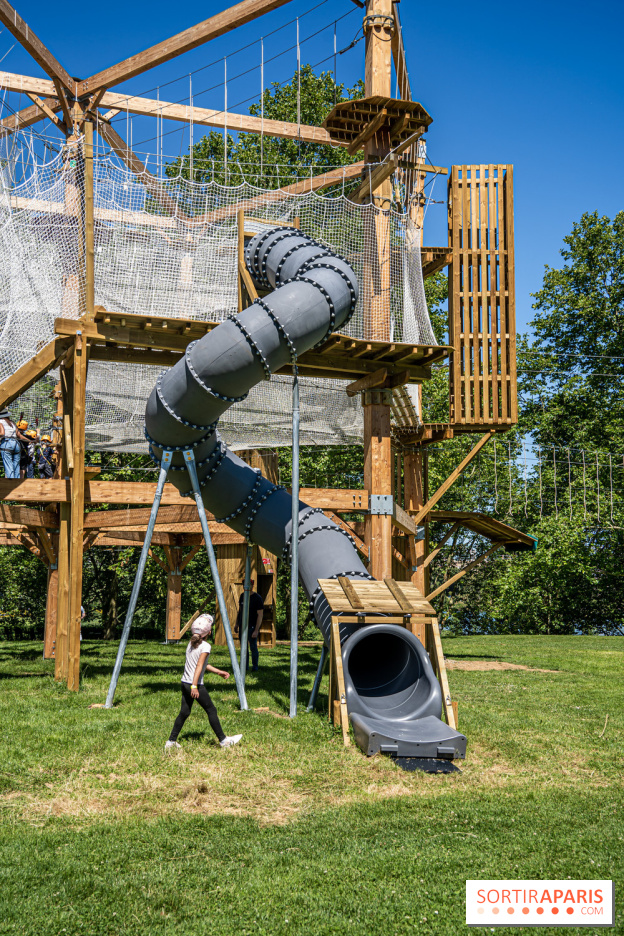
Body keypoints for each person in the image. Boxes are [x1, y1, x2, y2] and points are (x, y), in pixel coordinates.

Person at [165, 614, 242, 751]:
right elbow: (199, 666)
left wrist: (218, 672)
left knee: (184, 712)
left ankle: (171, 741)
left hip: (185, 683)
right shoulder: (206, 646)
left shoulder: (191, 643)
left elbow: (202, 664)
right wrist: (195, 686)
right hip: (194, 685)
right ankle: (224, 741)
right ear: (209, 632)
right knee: (211, 710)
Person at [234, 581, 264, 672]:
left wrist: (256, 630)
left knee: (253, 647)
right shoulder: (242, 596)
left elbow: (260, 615)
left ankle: (255, 666)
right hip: (242, 626)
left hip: (252, 627)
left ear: (252, 585)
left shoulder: (257, 598)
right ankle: (244, 667)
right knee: (244, 648)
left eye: (249, 585)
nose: (246, 586)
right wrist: (236, 624)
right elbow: (240, 611)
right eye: (245, 585)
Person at [0, 409, 28, 479]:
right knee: (16, 467)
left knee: (9, 466)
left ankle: (11, 484)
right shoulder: (12, 423)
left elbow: (2, 433)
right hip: (16, 444)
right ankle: (17, 482)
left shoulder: (0, 421)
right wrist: (30, 440)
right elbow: (19, 435)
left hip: (6, 443)